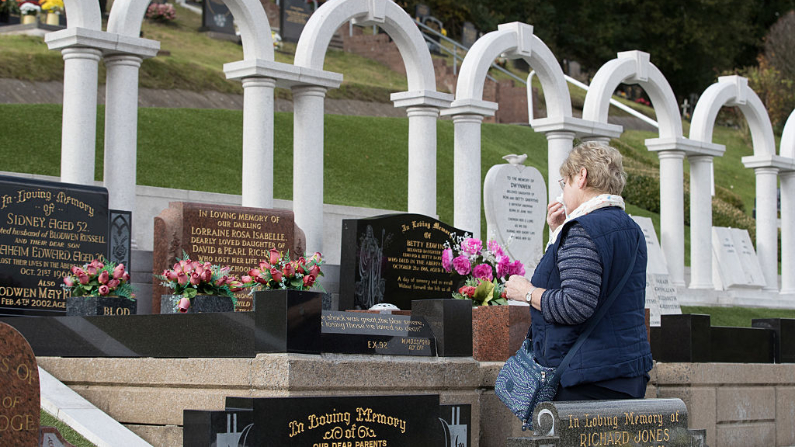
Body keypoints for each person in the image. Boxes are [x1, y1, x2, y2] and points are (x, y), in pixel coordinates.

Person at [504, 141, 653, 401]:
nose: (563, 192)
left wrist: (527, 292)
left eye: (565, 183)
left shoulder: (584, 230)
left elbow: (575, 305)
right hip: (625, 373)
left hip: (587, 379)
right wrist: (560, 232)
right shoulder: (631, 229)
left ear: (581, 176)